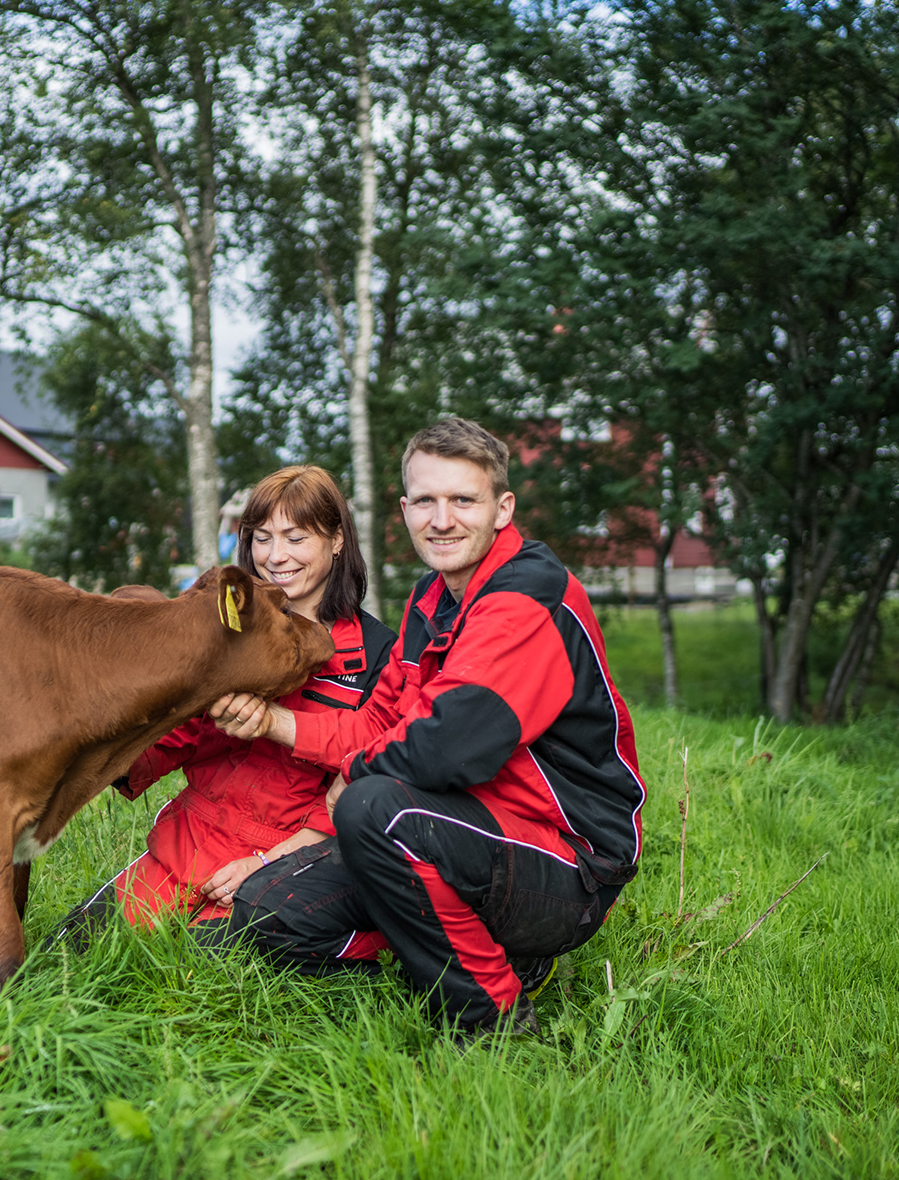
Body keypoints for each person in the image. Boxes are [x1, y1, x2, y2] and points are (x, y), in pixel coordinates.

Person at [208, 418, 646, 1039]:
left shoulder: (528, 596)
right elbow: (377, 725)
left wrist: (353, 777)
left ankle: (490, 1022)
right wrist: (275, 722)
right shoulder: (429, 599)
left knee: (371, 807)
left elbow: (445, 750)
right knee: (267, 910)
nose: (442, 519)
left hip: (564, 859)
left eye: (463, 500)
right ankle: (448, 956)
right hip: (455, 826)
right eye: (427, 501)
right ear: (405, 509)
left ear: (502, 509)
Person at [53, 465, 397, 945]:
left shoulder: (381, 653)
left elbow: (367, 780)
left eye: (296, 538)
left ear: (337, 540)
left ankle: (351, 941)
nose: (276, 556)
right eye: (262, 538)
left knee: (199, 967)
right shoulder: (226, 632)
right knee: (72, 951)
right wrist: (109, 745)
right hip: (191, 836)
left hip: (288, 856)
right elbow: (183, 731)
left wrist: (267, 864)